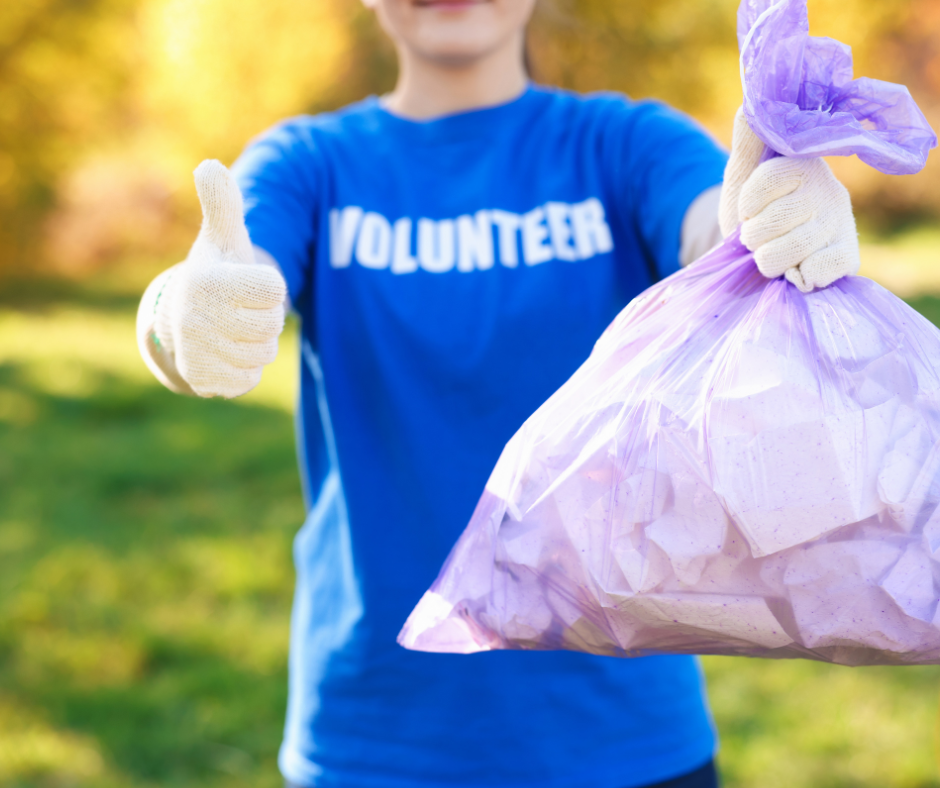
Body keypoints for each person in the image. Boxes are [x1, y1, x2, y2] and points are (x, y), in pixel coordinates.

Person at [136, 0, 859, 785]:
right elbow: (228, 273)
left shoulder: (624, 145)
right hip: (376, 735)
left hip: (625, 733)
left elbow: (711, 230)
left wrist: (769, 231)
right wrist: (176, 319)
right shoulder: (311, 162)